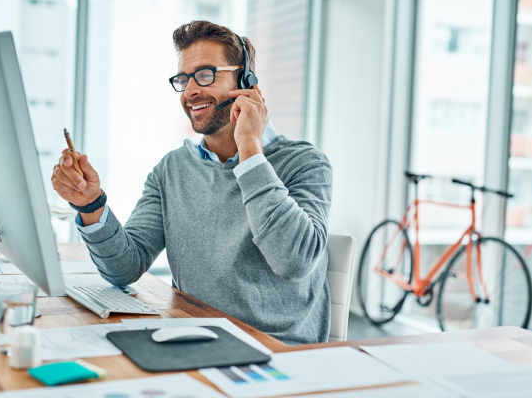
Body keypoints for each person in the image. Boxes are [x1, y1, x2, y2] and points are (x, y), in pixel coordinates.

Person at [51, 20, 333, 346]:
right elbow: (124, 269)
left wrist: (251, 151)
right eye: (183, 79)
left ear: (246, 82)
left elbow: (294, 262)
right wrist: (91, 204)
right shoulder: (171, 169)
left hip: (275, 352)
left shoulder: (305, 163)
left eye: (205, 74)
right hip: (192, 339)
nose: (190, 91)